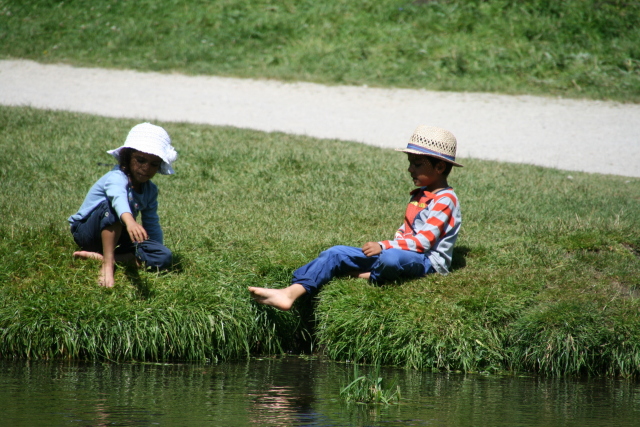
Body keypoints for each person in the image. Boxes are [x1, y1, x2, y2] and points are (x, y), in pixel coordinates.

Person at [248, 125, 463, 311]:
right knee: (335, 253)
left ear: (439, 167)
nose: (410, 169)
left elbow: (424, 242)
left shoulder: (445, 200)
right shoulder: (421, 194)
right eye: (410, 162)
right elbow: (406, 229)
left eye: (417, 164)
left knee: (389, 259)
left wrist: (384, 245)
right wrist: (393, 243)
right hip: (404, 253)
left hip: (427, 262)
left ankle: (366, 275)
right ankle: (290, 293)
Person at [68, 122, 178, 288]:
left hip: (119, 236)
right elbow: (118, 198)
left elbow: (151, 222)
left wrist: (155, 248)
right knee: (113, 207)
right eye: (140, 160)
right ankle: (107, 265)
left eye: (154, 164)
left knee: (164, 257)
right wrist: (130, 221)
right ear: (127, 156)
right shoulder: (117, 177)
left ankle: (107, 257)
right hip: (88, 232)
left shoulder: (150, 190)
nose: (146, 168)